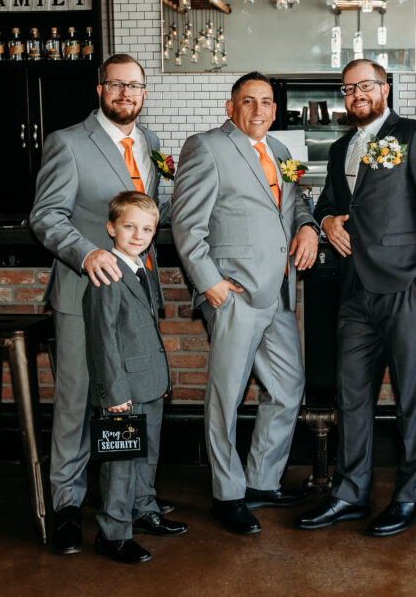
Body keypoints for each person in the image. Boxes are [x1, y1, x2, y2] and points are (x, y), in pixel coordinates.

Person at [294, 59, 416, 537]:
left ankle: (411, 497)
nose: (356, 95)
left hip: (407, 287)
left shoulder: (415, 135)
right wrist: (325, 223)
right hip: (354, 293)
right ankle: (349, 493)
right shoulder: (343, 144)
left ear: (385, 88)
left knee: (411, 398)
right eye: (348, 89)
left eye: (365, 86)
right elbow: (329, 203)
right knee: (351, 397)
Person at [31, 54, 173, 555]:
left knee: (128, 399)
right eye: (116, 85)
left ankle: (133, 505)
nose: (126, 94)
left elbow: (158, 211)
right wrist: (86, 251)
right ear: (100, 90)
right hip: (80, 293)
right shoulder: (68, 143)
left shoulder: (151, 143)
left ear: (144, 94)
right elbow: (46, 216)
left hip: (136, 294)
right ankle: (67, 509)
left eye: (134, 86)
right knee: (77, 402)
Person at [171, 72, 319, 535]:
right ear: (231, 107)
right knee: (227, 396)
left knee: (288, 388)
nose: (259, 110)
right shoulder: (207, 147)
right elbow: (185, 224)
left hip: (278, 292)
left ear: (276, 110)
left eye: (267, 102)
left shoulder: (280, 152)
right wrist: (209, 283)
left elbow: (293, 206)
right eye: (249, 101)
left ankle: (261, 480)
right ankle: (227, 493)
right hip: (233, 292)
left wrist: (309, 226)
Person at [83, 191, 186, 564]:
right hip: (122, 388)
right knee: (121, 463)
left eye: (147, 229)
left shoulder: (142, 267)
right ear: (111, 228)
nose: (139, 235)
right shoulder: (107, 273)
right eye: (129, 227)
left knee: (148, 454)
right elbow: (102, 337)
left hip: (148, 382)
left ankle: (143, 512)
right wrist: (113, 392)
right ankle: (113, 532)